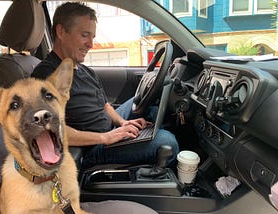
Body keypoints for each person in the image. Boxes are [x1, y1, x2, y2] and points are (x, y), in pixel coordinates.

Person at [32, 2, 179, 169]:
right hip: (90, 147)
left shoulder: (85, 71)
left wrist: (122, 122)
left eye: (92, 37)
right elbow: (49, 129)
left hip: (107, 129)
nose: (90, 44)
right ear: (61, 32)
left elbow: (104, 105)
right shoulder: (45, 75)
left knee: (152, 110)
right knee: (167, 142)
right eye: (84, 35)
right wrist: (106, 137)